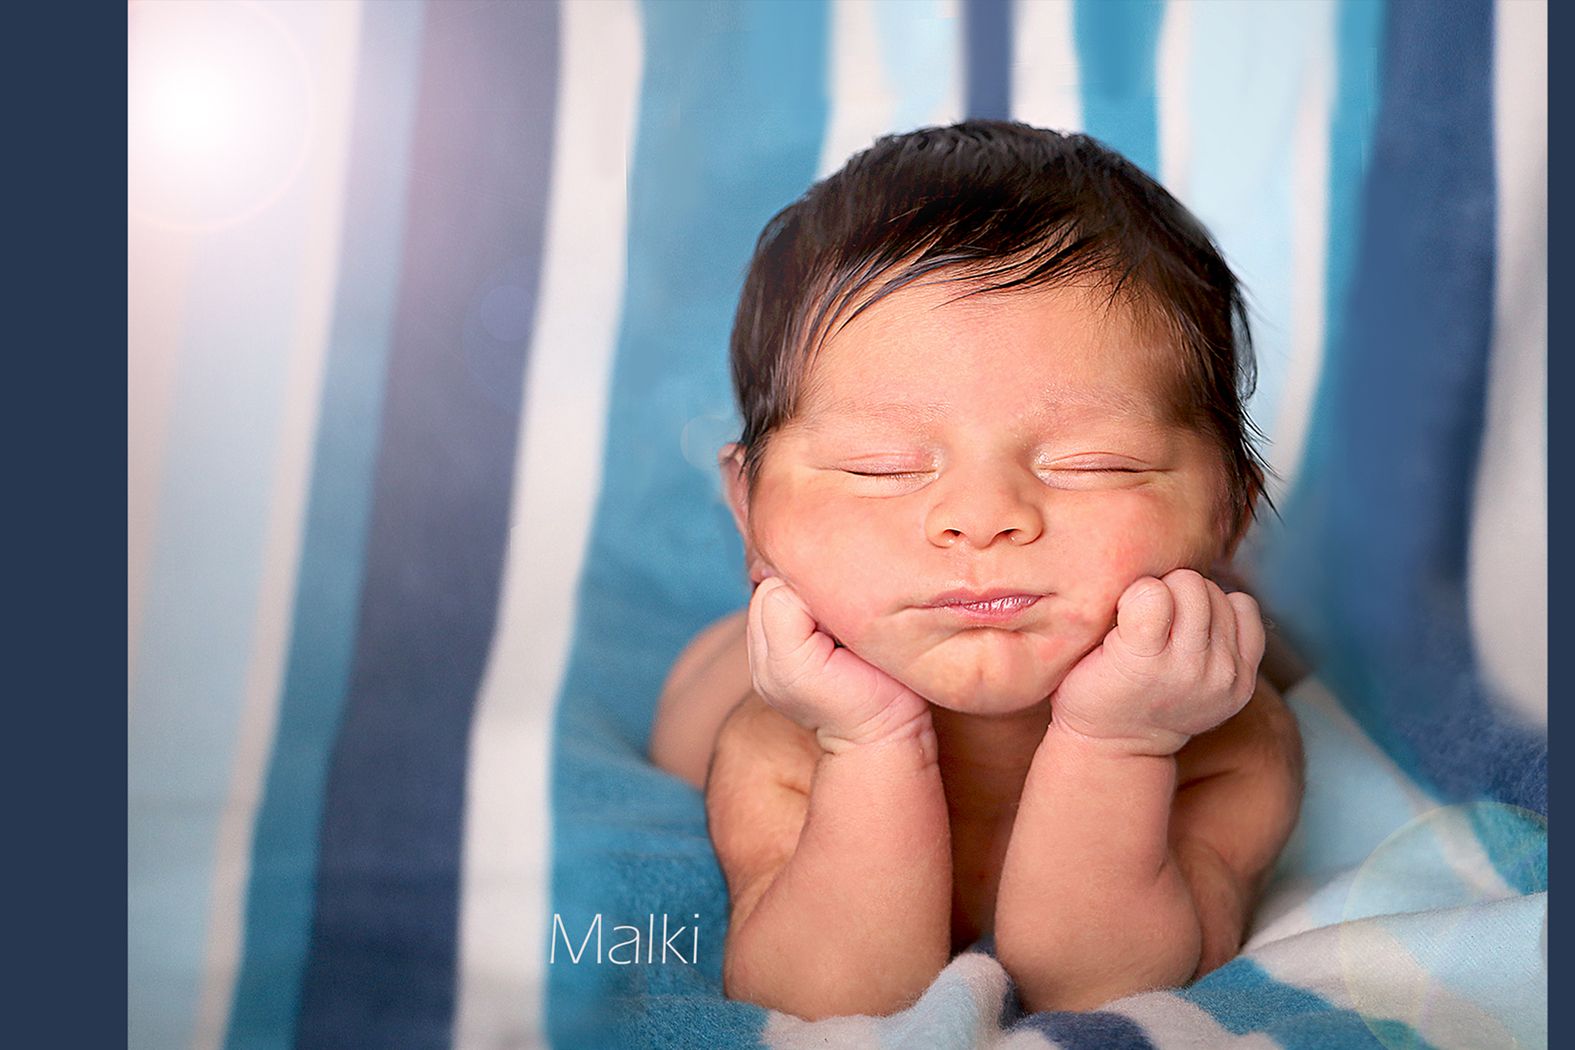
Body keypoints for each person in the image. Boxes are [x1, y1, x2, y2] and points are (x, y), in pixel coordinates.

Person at [647, 120, 1305, 1021]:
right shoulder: (777, 741)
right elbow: (822, 997)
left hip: (1171, 643)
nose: (983, 516)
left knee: (1265, 642)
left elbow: (1094, 988)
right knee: (699, 707)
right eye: (879, 468)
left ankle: (1240, 593)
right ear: (749, 512)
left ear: (1232, 507)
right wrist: (867, 740)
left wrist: (1121, 744)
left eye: (1093, 463)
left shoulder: (1230, 746)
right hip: (776, 657)